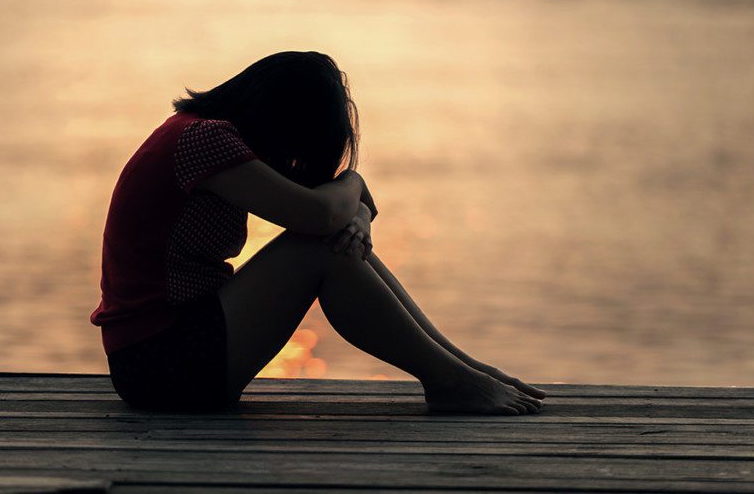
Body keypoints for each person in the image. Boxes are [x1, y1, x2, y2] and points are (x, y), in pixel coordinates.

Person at [90, 51, 546, 414]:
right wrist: (353, 183)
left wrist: (358, 218)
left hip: (172, 354)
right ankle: (451, 380)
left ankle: (461, 369)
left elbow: (340, 211)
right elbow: (320, 213)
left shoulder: (206, 138)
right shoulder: (204, 140)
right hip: (159, 364)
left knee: (329, 243)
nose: (293, 159)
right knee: (317, 249)